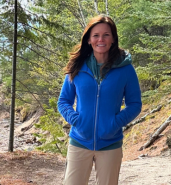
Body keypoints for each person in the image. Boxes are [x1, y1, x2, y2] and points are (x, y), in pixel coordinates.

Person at [57, 15, 142, 185]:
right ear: (89, 39)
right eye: (96, 35)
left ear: (113, 39)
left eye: (106, 35)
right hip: (79, 142)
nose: (100, 39)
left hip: (110, 144)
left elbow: (135, 104)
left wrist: (114, 123)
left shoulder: (125, 69)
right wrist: (77, 120)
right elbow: (64, 101)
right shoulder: (77, 67)